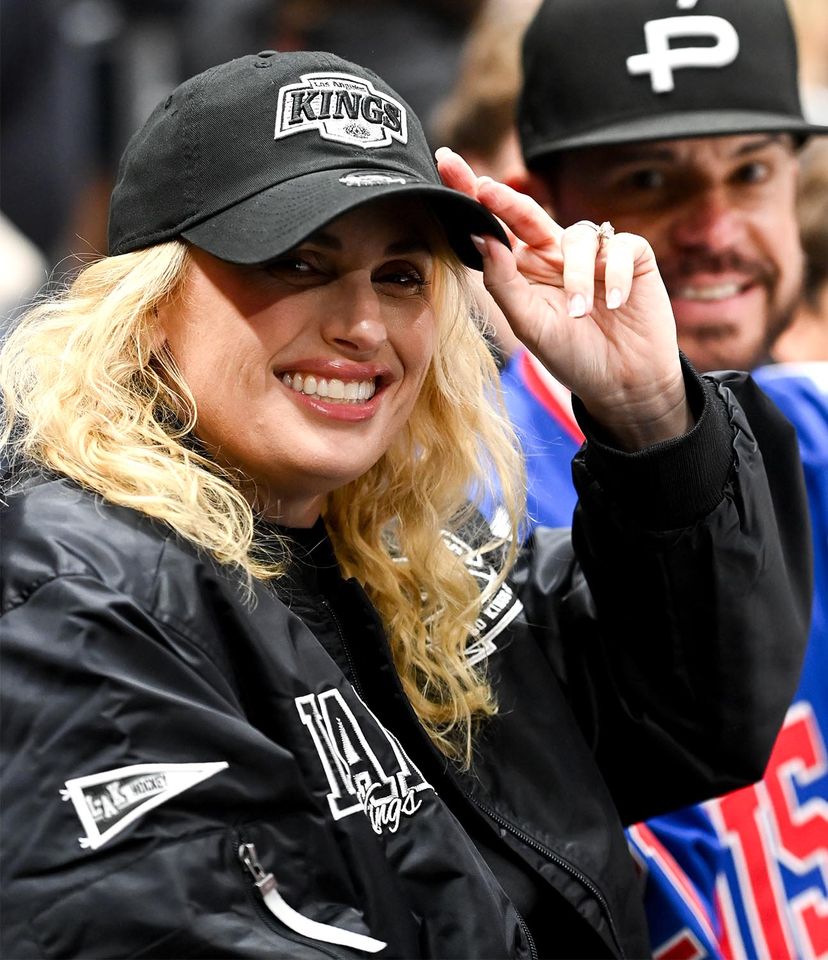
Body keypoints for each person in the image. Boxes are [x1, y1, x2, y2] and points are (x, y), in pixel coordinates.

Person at [0, 49, 811, 959]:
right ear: (148, 306)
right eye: (298, 261)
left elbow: (696, 719)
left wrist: (652, 412)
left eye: (401, 274)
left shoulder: (407, 557)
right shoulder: (72, 599)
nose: (363, 325)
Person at [498, 0, 828, 955]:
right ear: (537, 211)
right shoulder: (467, 494)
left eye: (752, 171)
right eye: (652, 179)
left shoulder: (809, 432)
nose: (717, 229)